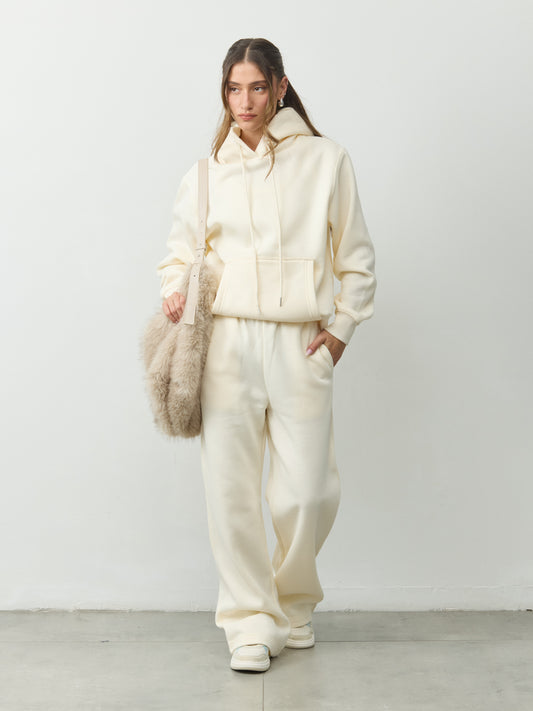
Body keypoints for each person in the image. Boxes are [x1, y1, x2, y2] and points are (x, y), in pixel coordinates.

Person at [155, 37, 377, 673]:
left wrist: (341, 330)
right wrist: (174, 292)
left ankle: (291, 602)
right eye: (234, 88)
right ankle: (250, 620)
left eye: (257, 87)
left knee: (308, 491)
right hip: (226, 342)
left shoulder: (327, 160)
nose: (245, 101)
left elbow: (356, 257)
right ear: (224, 93)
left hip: (299, 341)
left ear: (280, 87)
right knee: (230, 491)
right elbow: (176, 256)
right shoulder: (206, 173)